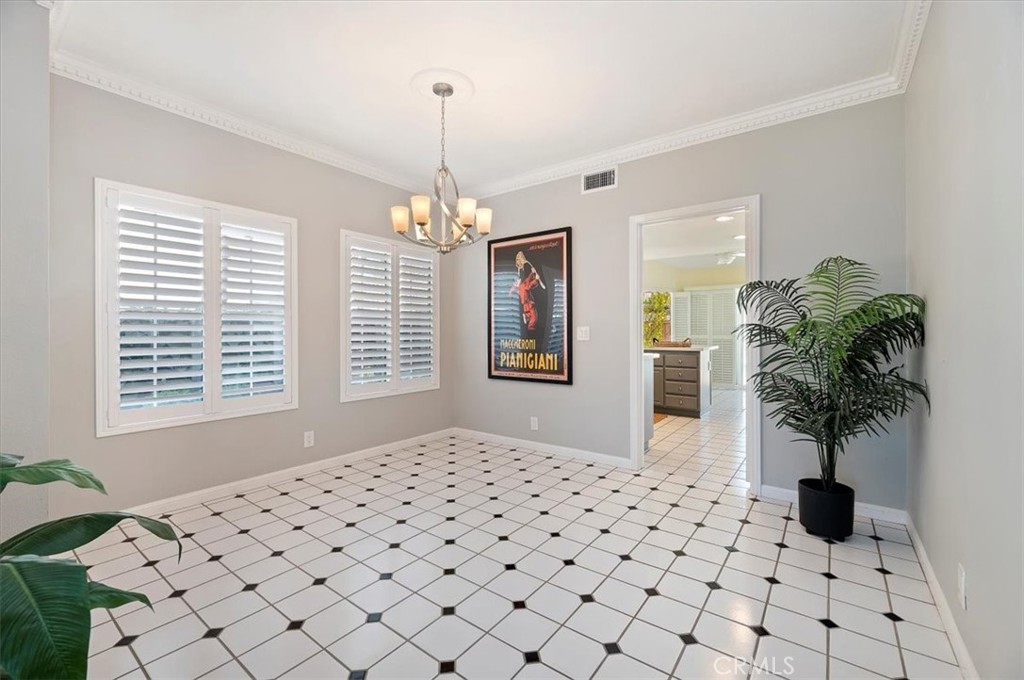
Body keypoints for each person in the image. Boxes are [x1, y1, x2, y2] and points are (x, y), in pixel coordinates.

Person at [510, 250, 545, 331]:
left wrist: (533, 275)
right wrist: (535, 279)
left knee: (530, 313)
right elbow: (528, 285)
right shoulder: (523, 284)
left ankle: (527, 318)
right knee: (533, 315)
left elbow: (528, 283)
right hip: (527, 300)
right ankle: (529, 324)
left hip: (525, 301)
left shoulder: (523, 283)